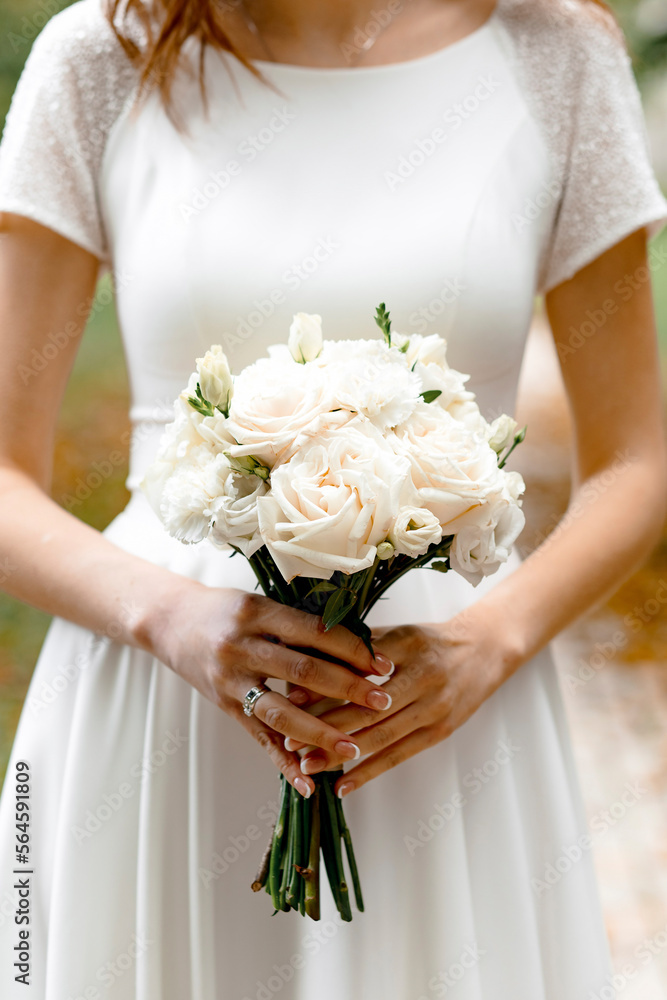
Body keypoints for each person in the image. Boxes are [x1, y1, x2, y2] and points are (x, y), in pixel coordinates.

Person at [0, 0, 665, 996]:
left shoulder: (554, 57)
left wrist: (492, 639)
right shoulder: (105, 57)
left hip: (448, 717)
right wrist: (173, 617)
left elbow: (634, 462)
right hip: (160, 698)